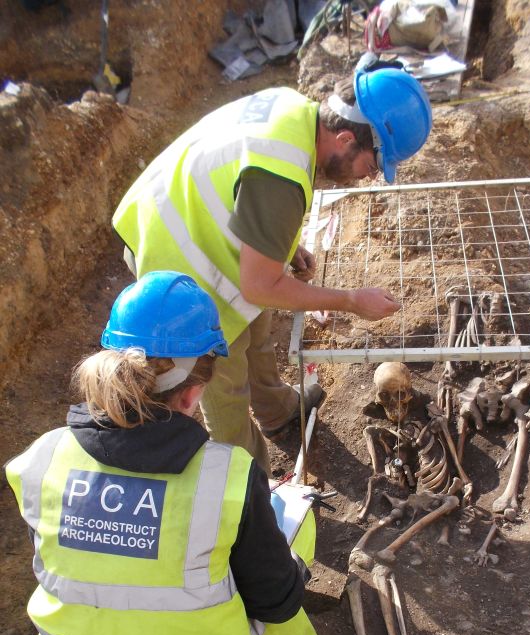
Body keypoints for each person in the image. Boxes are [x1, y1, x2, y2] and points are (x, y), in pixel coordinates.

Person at [5, 271, 319, 635]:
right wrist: (293, 569)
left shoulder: (42, 457)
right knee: (298, 519)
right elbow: (276, 603)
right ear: (193, 392)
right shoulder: (226, 477)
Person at [112, 62, 432, 473]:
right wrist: (352, 300)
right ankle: (247, 487)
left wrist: (279, 242)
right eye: (369, 167)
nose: (364, 179)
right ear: (346, 138)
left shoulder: (295, 110)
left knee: (257, 332)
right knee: (223, 376)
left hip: (189, 215)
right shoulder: (281, 175)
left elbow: (245, 189)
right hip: (174, 253)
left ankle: (277, 411)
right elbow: (260, 286)